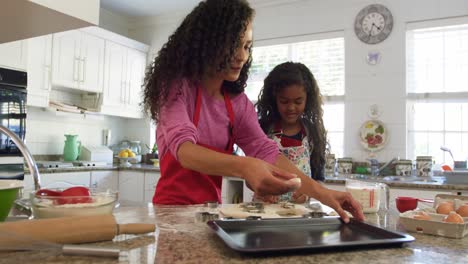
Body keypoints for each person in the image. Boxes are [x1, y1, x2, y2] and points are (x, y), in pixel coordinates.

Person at [143, 0, 364, 223]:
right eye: (234, 45)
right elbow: (185, 152)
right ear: (208, 43)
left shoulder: (236, 103)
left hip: (210, 212)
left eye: (247, 46)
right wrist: (245, 166)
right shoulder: (174, 87)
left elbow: (265, 151)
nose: (242, 56)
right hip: (169, 212)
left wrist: (324, 194)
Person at [255, 62, 326, 203]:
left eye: (298, 101)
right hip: (265, 209)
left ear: (308, 100)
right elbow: (249, 175)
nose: (291, 107)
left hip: (300, 211)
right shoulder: (262, 128)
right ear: (274, 99)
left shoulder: (313, 132)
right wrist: (263, 189)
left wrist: (308, 193)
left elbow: (318, 178)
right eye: (284, 101)